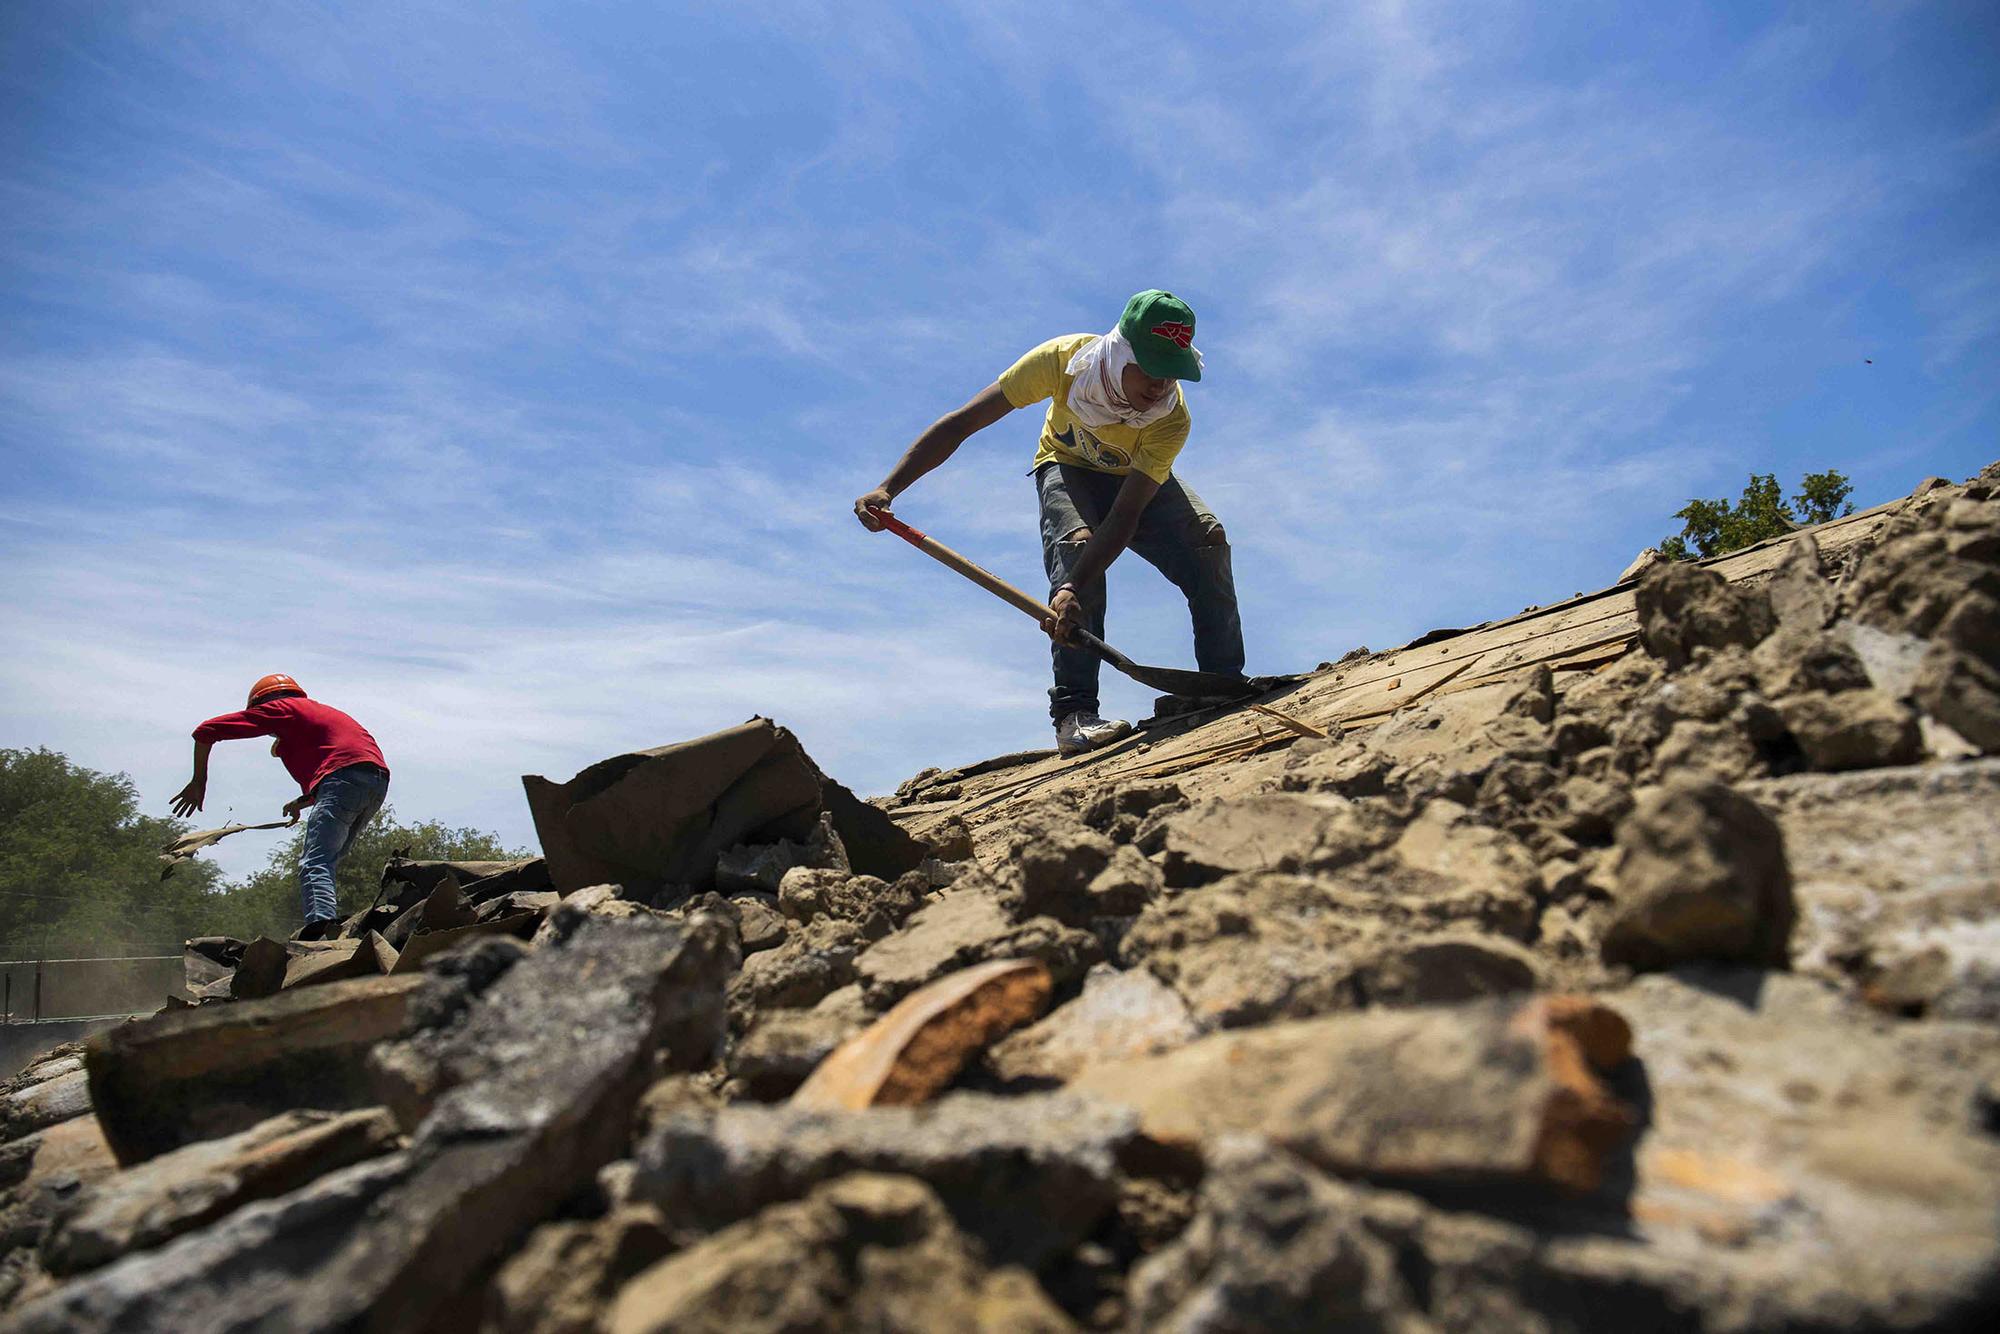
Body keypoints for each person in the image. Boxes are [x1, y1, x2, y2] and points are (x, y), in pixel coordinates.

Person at [855, 289, 1244, 754]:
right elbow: (962, 423)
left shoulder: (1170, 418)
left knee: (1207, 539)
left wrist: (1074, 586)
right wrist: (890, 487)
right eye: (1152, 369)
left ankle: (1222, 683)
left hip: (1134, 483)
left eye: (1171, 373)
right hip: (1067, 469)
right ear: (1122, 351)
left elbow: (1124, 516)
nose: (1160, 387)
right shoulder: (1062, 362)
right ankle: (1075, 713)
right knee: (1078, 548)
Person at [171, 674, 390, 937]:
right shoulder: (318, 715)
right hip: (375, 782)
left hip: (344, 778)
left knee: (315, 861)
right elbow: (342, 776)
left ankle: (320, 932)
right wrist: (301, 802)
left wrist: (199, 781)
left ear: (265, 703)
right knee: (329, 858)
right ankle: (340, 927)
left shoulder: (282, 708)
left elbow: (205, 731)